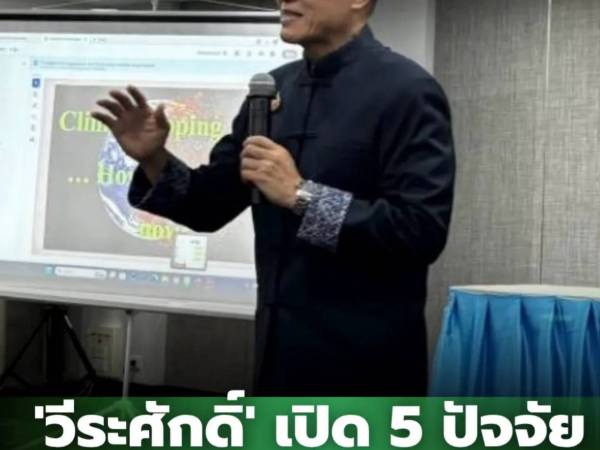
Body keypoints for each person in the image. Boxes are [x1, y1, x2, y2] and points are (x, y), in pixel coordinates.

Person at [92, 0, 455, 395]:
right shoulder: (272, 91)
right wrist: (154, 158)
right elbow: (209, 206)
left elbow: (420, 232)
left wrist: (303, 196)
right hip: (276, 358)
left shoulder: (406, 90)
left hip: (365, 367)